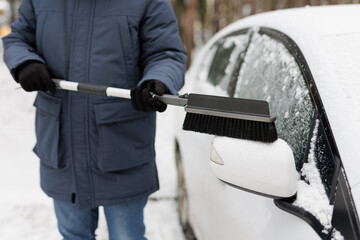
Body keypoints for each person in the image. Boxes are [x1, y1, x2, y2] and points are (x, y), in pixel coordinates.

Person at [2, 0, 186, 239]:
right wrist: (25, 62)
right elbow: (17, 39)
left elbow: (167, 54)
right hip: (62, 149)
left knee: (126, 235)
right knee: (72, 234)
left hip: (120, 148)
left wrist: (158, 81)